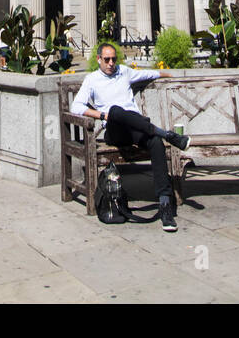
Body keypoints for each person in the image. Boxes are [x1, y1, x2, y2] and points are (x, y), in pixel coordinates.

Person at [70, 43, 192, 232]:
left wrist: (169, 74)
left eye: (113, 59)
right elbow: (75, 107)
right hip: (115, 130)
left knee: (156, 144)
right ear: (98, 59)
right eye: (107, 60)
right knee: (116, 111)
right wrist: (102, 115)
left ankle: (165, 204)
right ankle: (167, 134)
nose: (111, 64)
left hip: (136, 128)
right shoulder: (91, 80)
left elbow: (148, 74)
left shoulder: (124, 72)